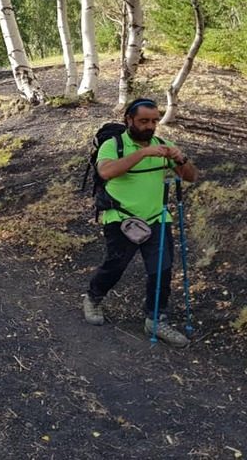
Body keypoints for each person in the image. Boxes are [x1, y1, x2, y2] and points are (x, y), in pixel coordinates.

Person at [82, 98, 198, 347]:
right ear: (129, 120)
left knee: (162, 270)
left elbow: (190, 177)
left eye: (154, 121)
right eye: (144, 121)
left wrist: (181, 159)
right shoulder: (113, 145)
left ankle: (156, 319)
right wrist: (143, 153)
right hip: (121, 218)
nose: (150, 126)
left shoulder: (163, 145)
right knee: (116, 265)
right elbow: (106, 172)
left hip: (157, 218)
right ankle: (93, 297)